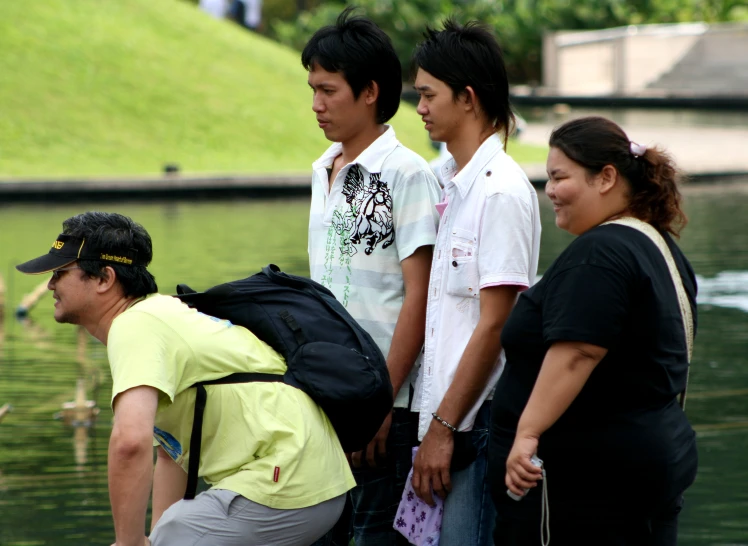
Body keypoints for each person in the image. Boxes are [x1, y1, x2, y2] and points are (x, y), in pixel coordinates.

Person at [15, 212, 355, 546]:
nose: (50, 285)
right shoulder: (158, 315)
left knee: (177, 529)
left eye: (61, 273)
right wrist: (152, 537)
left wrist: (129, 542)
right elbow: (169, 454)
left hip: (285, 482)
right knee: (172, 528)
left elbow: (130, 443)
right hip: (311, 481)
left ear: (105, 279)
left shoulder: (137, 325)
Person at [488, 116, 698, 545]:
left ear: (605, 178)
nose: (549, 190)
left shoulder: (601, 252)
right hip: (648, 463)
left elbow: (578, 352)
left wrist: (526, 434)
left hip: (591, 489)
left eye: (559, 177)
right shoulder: (657, 244)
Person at [303, 7, 442, 546]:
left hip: (386, 408)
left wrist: (381, 402)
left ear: (369, 92)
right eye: (312, 89)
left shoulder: (406, 173)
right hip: (328, 401)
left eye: (329, 90)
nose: (316, 105)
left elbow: (420, 295)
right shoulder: (323, 168)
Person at [410, 20, 542, 546]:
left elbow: (495, 323)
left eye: (427, 94)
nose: (418, 107)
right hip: (445, 416)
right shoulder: (453, 183)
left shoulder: (501, 192)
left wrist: (443, 429)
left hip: (476, 422)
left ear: (467, 98)